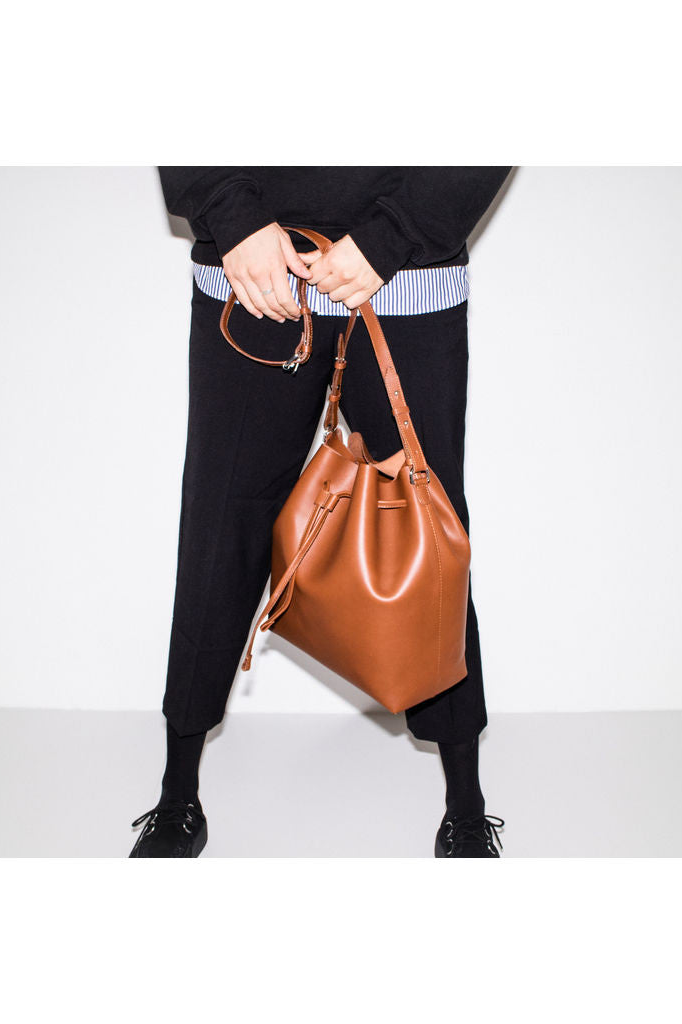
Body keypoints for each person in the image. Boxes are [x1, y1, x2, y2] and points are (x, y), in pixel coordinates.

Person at [129, 166, 511, 858]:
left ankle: (466, 802)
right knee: (218, 530)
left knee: (431, 533)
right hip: (255, 275)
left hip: (406, 279)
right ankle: (177, 793)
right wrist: (231, 214)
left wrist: (392, 235)